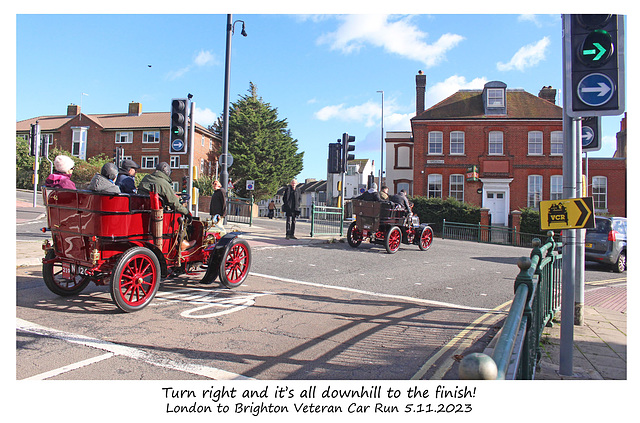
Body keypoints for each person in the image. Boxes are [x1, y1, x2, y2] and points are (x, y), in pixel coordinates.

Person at [138, 162, 193, 249]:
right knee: (179, 216)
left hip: (142, 214)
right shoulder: (163, 183)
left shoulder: (146, 178)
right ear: (166, 171)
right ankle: (181, 242)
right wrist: (187, 212)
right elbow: (175, 204)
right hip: (158, 218)